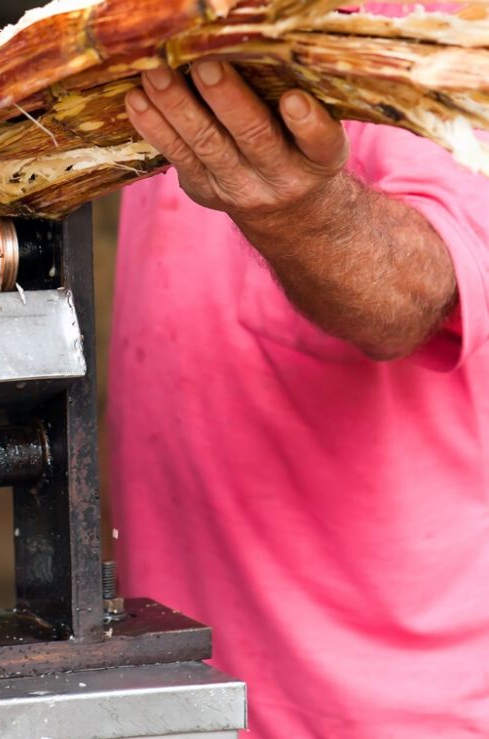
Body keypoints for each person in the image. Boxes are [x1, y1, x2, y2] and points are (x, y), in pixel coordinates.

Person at [111, 58, 489, 737]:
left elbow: (407, 294)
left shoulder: (431, 27)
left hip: (391, 709)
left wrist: (300, 212)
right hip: (177, 672)